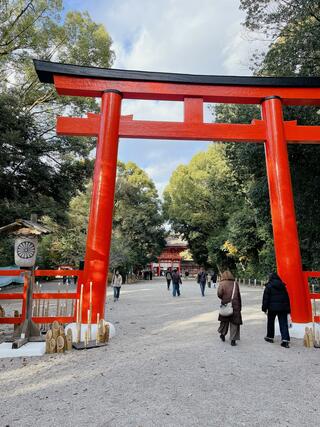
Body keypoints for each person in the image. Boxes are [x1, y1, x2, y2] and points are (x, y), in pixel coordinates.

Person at [262, 272, 291, 348]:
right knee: (283, 323)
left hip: (272, 308)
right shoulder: (283, 286)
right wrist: (288, 309)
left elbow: (266, 299)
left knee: (270, 322)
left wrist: (264, 308)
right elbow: (287, 298)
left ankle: (270, 337)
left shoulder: (269, 286)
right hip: (282, 308)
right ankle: (285, 340)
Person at [217, 270, 242, 346]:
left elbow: (219, 294)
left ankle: (222, 334)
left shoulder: (222, 283)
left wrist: (223, 298)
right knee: (234, 322)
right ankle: (233, 340)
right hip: (235, 305)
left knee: (224, 321)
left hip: (225, 304)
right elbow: (238, 295)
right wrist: (240, 306)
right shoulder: (235, 283)